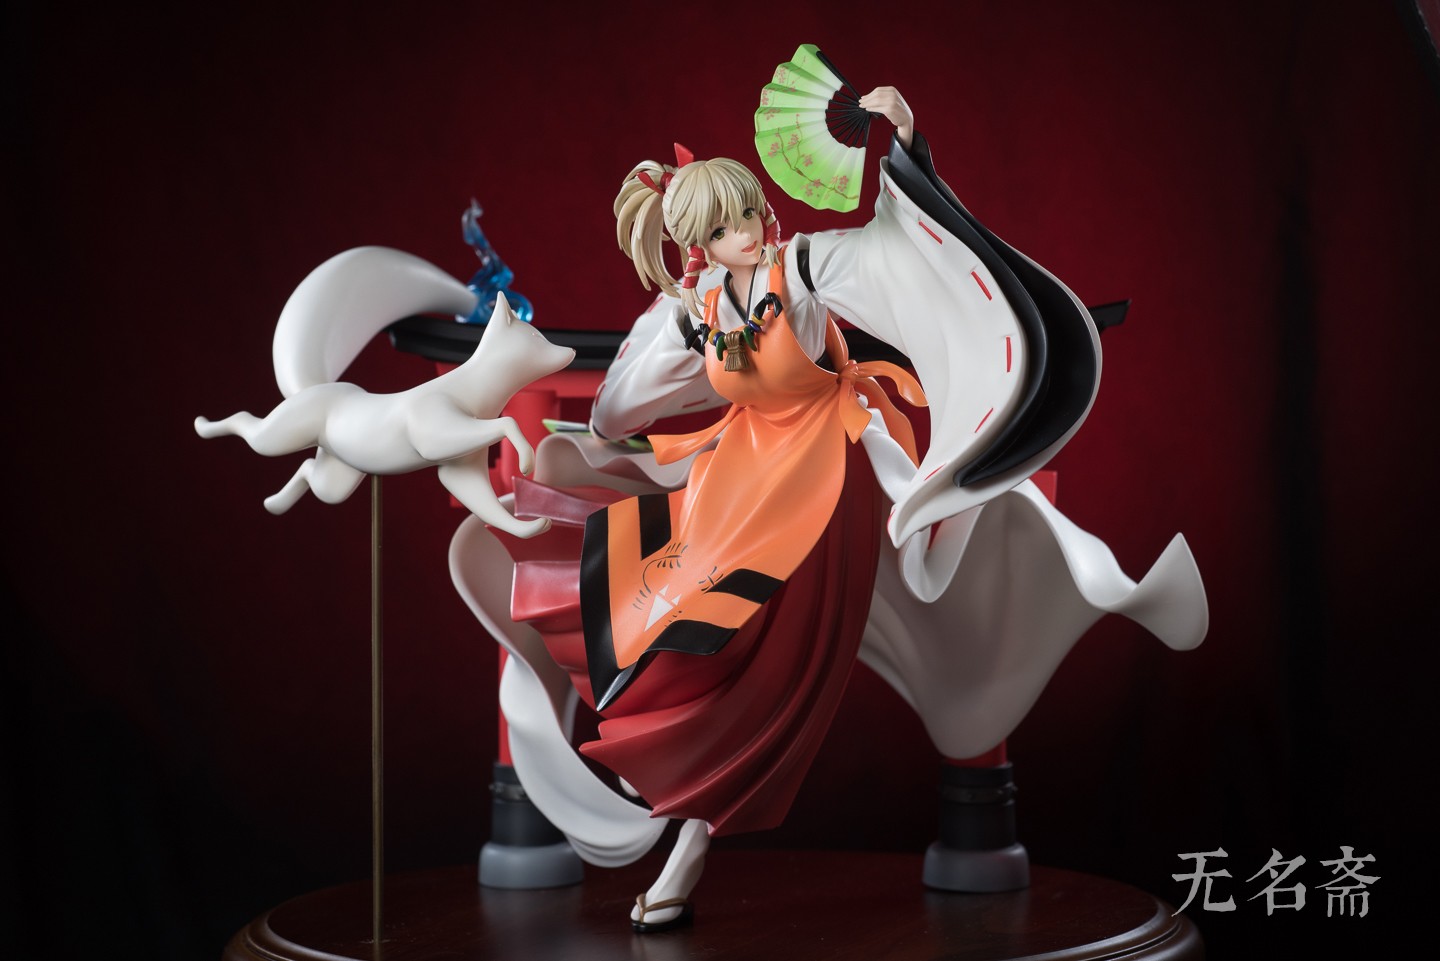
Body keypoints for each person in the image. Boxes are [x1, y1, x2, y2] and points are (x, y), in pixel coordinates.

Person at [481, 85, 1205, 931]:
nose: (750, 229)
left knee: (762, 673)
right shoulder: (697, 309)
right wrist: (668, 348)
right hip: (738, 479)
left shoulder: (806, 267)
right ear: (698, 245)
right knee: (663, 628)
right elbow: (616, 408)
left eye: (749, 210)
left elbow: (900, 252)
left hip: (824, 471)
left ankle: (687, 845)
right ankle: (669, 793)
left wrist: (904, 142)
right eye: (726, 227)